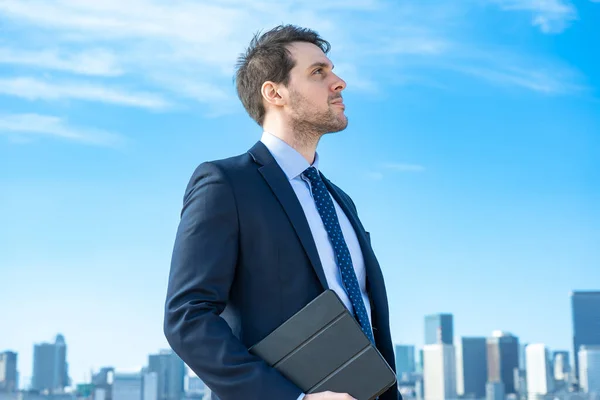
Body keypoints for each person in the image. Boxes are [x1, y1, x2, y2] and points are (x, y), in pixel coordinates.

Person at [163, 24, 399, 400]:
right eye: (318, 72)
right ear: (274, 93)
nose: (339, 83)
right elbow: (187, 318)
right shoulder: (227, 183)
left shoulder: (341, 202)